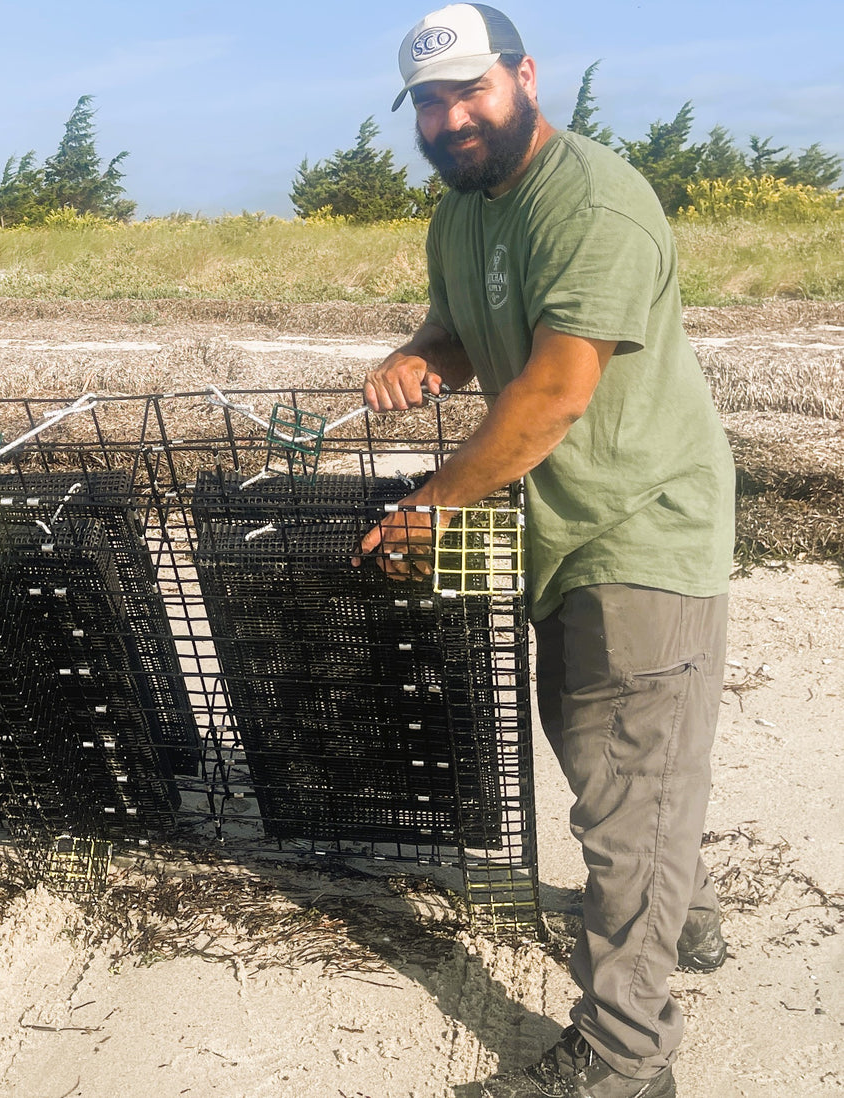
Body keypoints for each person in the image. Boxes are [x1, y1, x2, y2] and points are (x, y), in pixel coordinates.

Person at [355, 5, 735, 1096]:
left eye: (469, 90)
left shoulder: (595, 200)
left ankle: (624, 1061)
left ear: (524, 76)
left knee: (625, 788)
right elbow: (468, 336)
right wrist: (417, 359)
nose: (449, 116)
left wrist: (427, 505)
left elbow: (557, 391)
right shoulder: (460, 213)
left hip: (639, 525)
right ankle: (681, 911)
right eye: (428, 101)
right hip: (555, 529)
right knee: (606, 764)